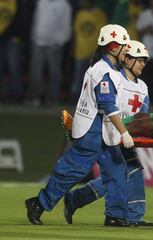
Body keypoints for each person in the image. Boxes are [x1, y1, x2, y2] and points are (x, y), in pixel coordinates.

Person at [25, 24, 134, 226]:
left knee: (117, 170)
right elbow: (107, 105)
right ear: (113, 47)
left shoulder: (107, 69)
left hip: (102, 130)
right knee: (72, 170)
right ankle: (38, 203)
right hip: (93, 130)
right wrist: (124, 132)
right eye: (124, 45)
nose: (127, 48)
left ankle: (115, 215)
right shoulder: (104, 72)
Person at [63, 40, 153, 227]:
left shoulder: (143, 87)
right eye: (139, 60)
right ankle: (117, 213)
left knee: (131, 170)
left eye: (145, 61)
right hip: (108, 135)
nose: (143, 64)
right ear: (127, 59)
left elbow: (143, 115)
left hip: (127, 136)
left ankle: (131, 216)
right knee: (121, 174)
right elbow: (103, 106)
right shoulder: (113, 78)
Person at [25, 0, 72, 106]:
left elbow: (66, 26)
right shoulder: (41, 2)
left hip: (54, 44)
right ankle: (33, 98)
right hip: (38, 42)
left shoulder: (64, 5)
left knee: (54, 72)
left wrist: (60, 42)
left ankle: (52, 99)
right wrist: (34, 37)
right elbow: (36, 19)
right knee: (35, 71)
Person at [71, 0, 107, 101]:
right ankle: (76, 101)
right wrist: (73, 48)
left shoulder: (100, 15)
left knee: (94, 80)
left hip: (94, 54)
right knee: (78, 80)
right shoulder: (79, 14)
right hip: (80, 52)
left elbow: (103, 35)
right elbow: (75, 32)